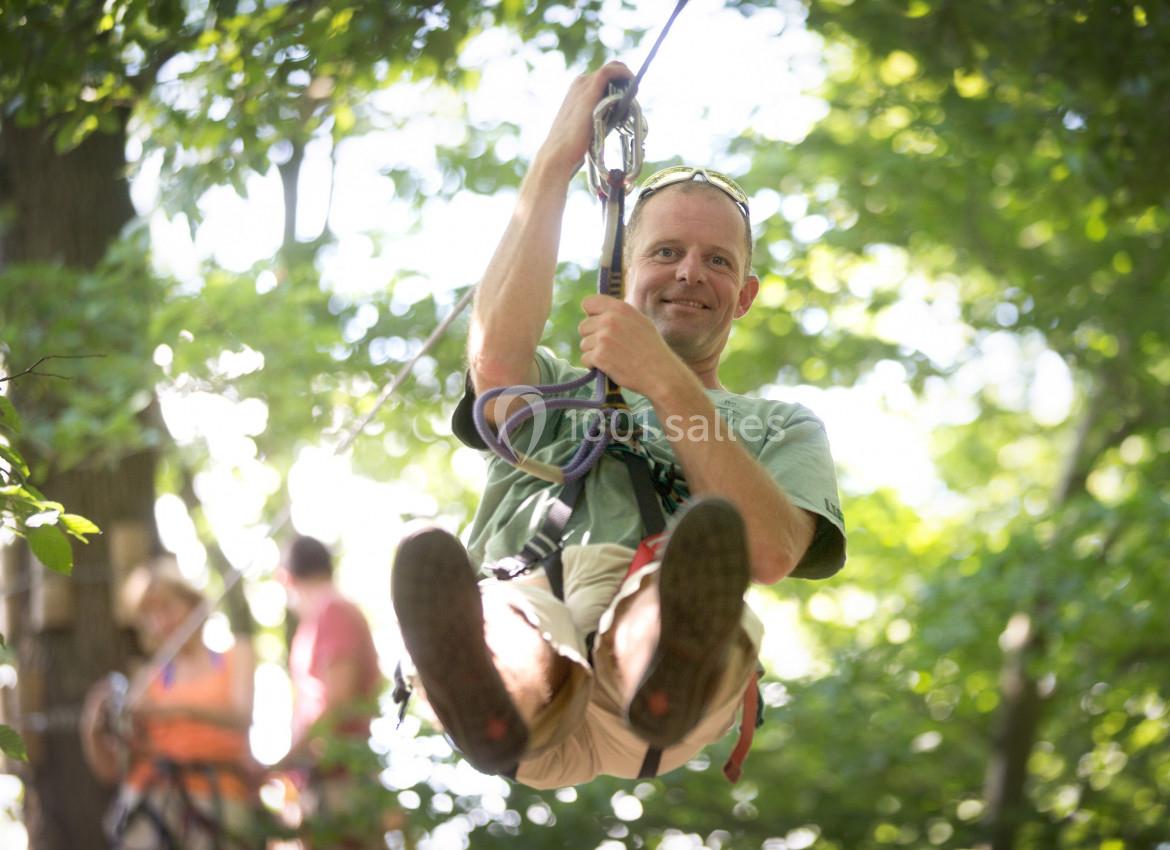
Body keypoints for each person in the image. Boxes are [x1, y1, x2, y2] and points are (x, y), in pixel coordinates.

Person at [391, 61, 846, 789]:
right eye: (666, 252)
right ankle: (495, 695)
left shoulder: (778, 427)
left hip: (658, 688)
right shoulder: (555, 391)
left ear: (746, 295)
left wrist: (662, 380)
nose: (690, 272)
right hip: (529, 610)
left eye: (717, 260)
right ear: (624, 267)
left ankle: (658, 664)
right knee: (515, 617)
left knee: (672, 589)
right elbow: (495, 362)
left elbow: (767, 551)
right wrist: (555, 162)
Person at [80, 562, 260, 849]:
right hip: (153, 804)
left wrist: (175, 711)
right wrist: (93, 728)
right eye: (148, 615)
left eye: (166, 608)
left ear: (192, 604)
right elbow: (114, 770)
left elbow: (242, 717)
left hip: (218, 802)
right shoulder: (149, 679)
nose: (160, 622)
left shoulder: (235, 656)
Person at [276, 535, 382, 847]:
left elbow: (339, 703)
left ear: (286, 578)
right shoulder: (320, 620)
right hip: (322, 782)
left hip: (342, 784)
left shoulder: (333, 613)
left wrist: (287, 760)